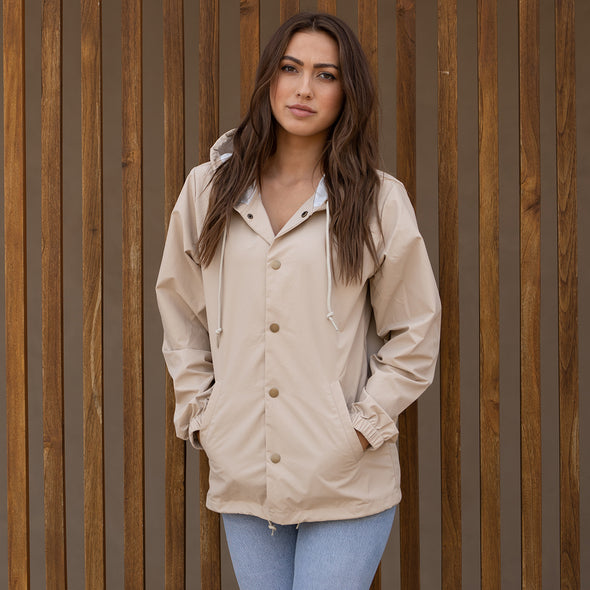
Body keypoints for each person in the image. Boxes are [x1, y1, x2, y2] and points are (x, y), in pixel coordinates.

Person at [156, 12, 441, 589]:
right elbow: (181, 311)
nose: (304, 88)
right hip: (245, 473)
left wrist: (360, 428)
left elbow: (415, 329)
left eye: (325, 74)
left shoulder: (378, 200)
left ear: (347, 92)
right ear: (269, 80)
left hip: (343, 476)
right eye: (290, 68)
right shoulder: (208, 190)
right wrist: (205, 416)